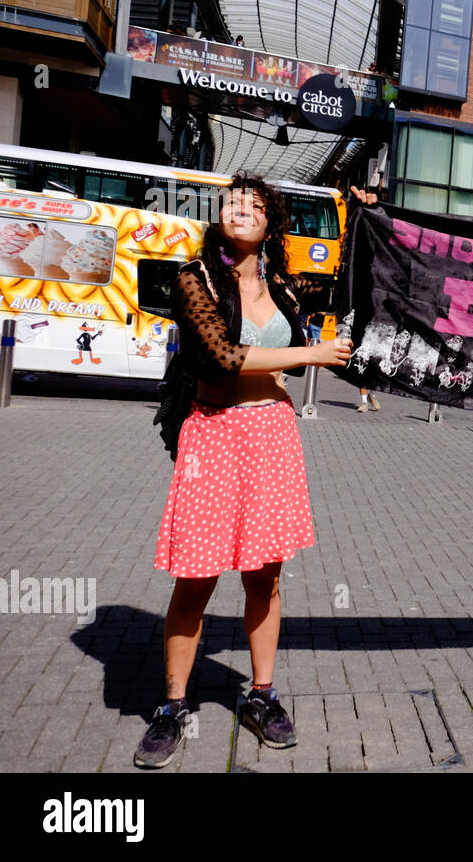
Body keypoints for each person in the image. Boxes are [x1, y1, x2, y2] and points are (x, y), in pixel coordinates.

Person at [134, 174, 353, 769]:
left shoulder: (281, 283)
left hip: (273, 438)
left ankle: (261, 695)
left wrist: (360, 222)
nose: (243, 210)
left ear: (269, 221)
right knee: (196, 578)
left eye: (257, 205)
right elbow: (219, 357)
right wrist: (309, 354)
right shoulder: (194, 278)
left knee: (264, 579)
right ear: (219, 213)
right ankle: (173, 706)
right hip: (215, 433)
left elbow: (342, 285)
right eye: (234, 201)